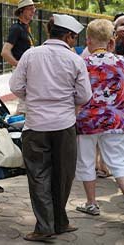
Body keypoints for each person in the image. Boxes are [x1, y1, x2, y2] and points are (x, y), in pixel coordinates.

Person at [9, 14, 92, 242]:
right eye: (74, 37)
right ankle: (57, 222)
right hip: (64, 125)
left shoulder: (30, 55)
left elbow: (16, 86)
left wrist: (35, 97)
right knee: (63, 176)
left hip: (35, 126)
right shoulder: (75, 60)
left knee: (39, 176)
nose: (74, 41)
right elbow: (85, 95)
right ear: (67, 36)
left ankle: (49, 225)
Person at [75, 19, 124, 216]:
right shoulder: (122, 62)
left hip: (87, 121)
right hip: (115, 120)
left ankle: (91, 203)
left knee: (86, 161)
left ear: (88, 41)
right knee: (119, 162)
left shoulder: (81, 63)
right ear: (110, 40)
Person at [1, 0, 36, 115]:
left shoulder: (26, 28)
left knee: (26, 103)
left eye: (34, 8)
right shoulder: (16, 28)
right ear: (22, 11)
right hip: (23, 70)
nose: (33, 11)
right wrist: (18, 64)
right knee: (24, 105)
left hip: (28, 70)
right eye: (30, 8)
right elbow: (5, 52)